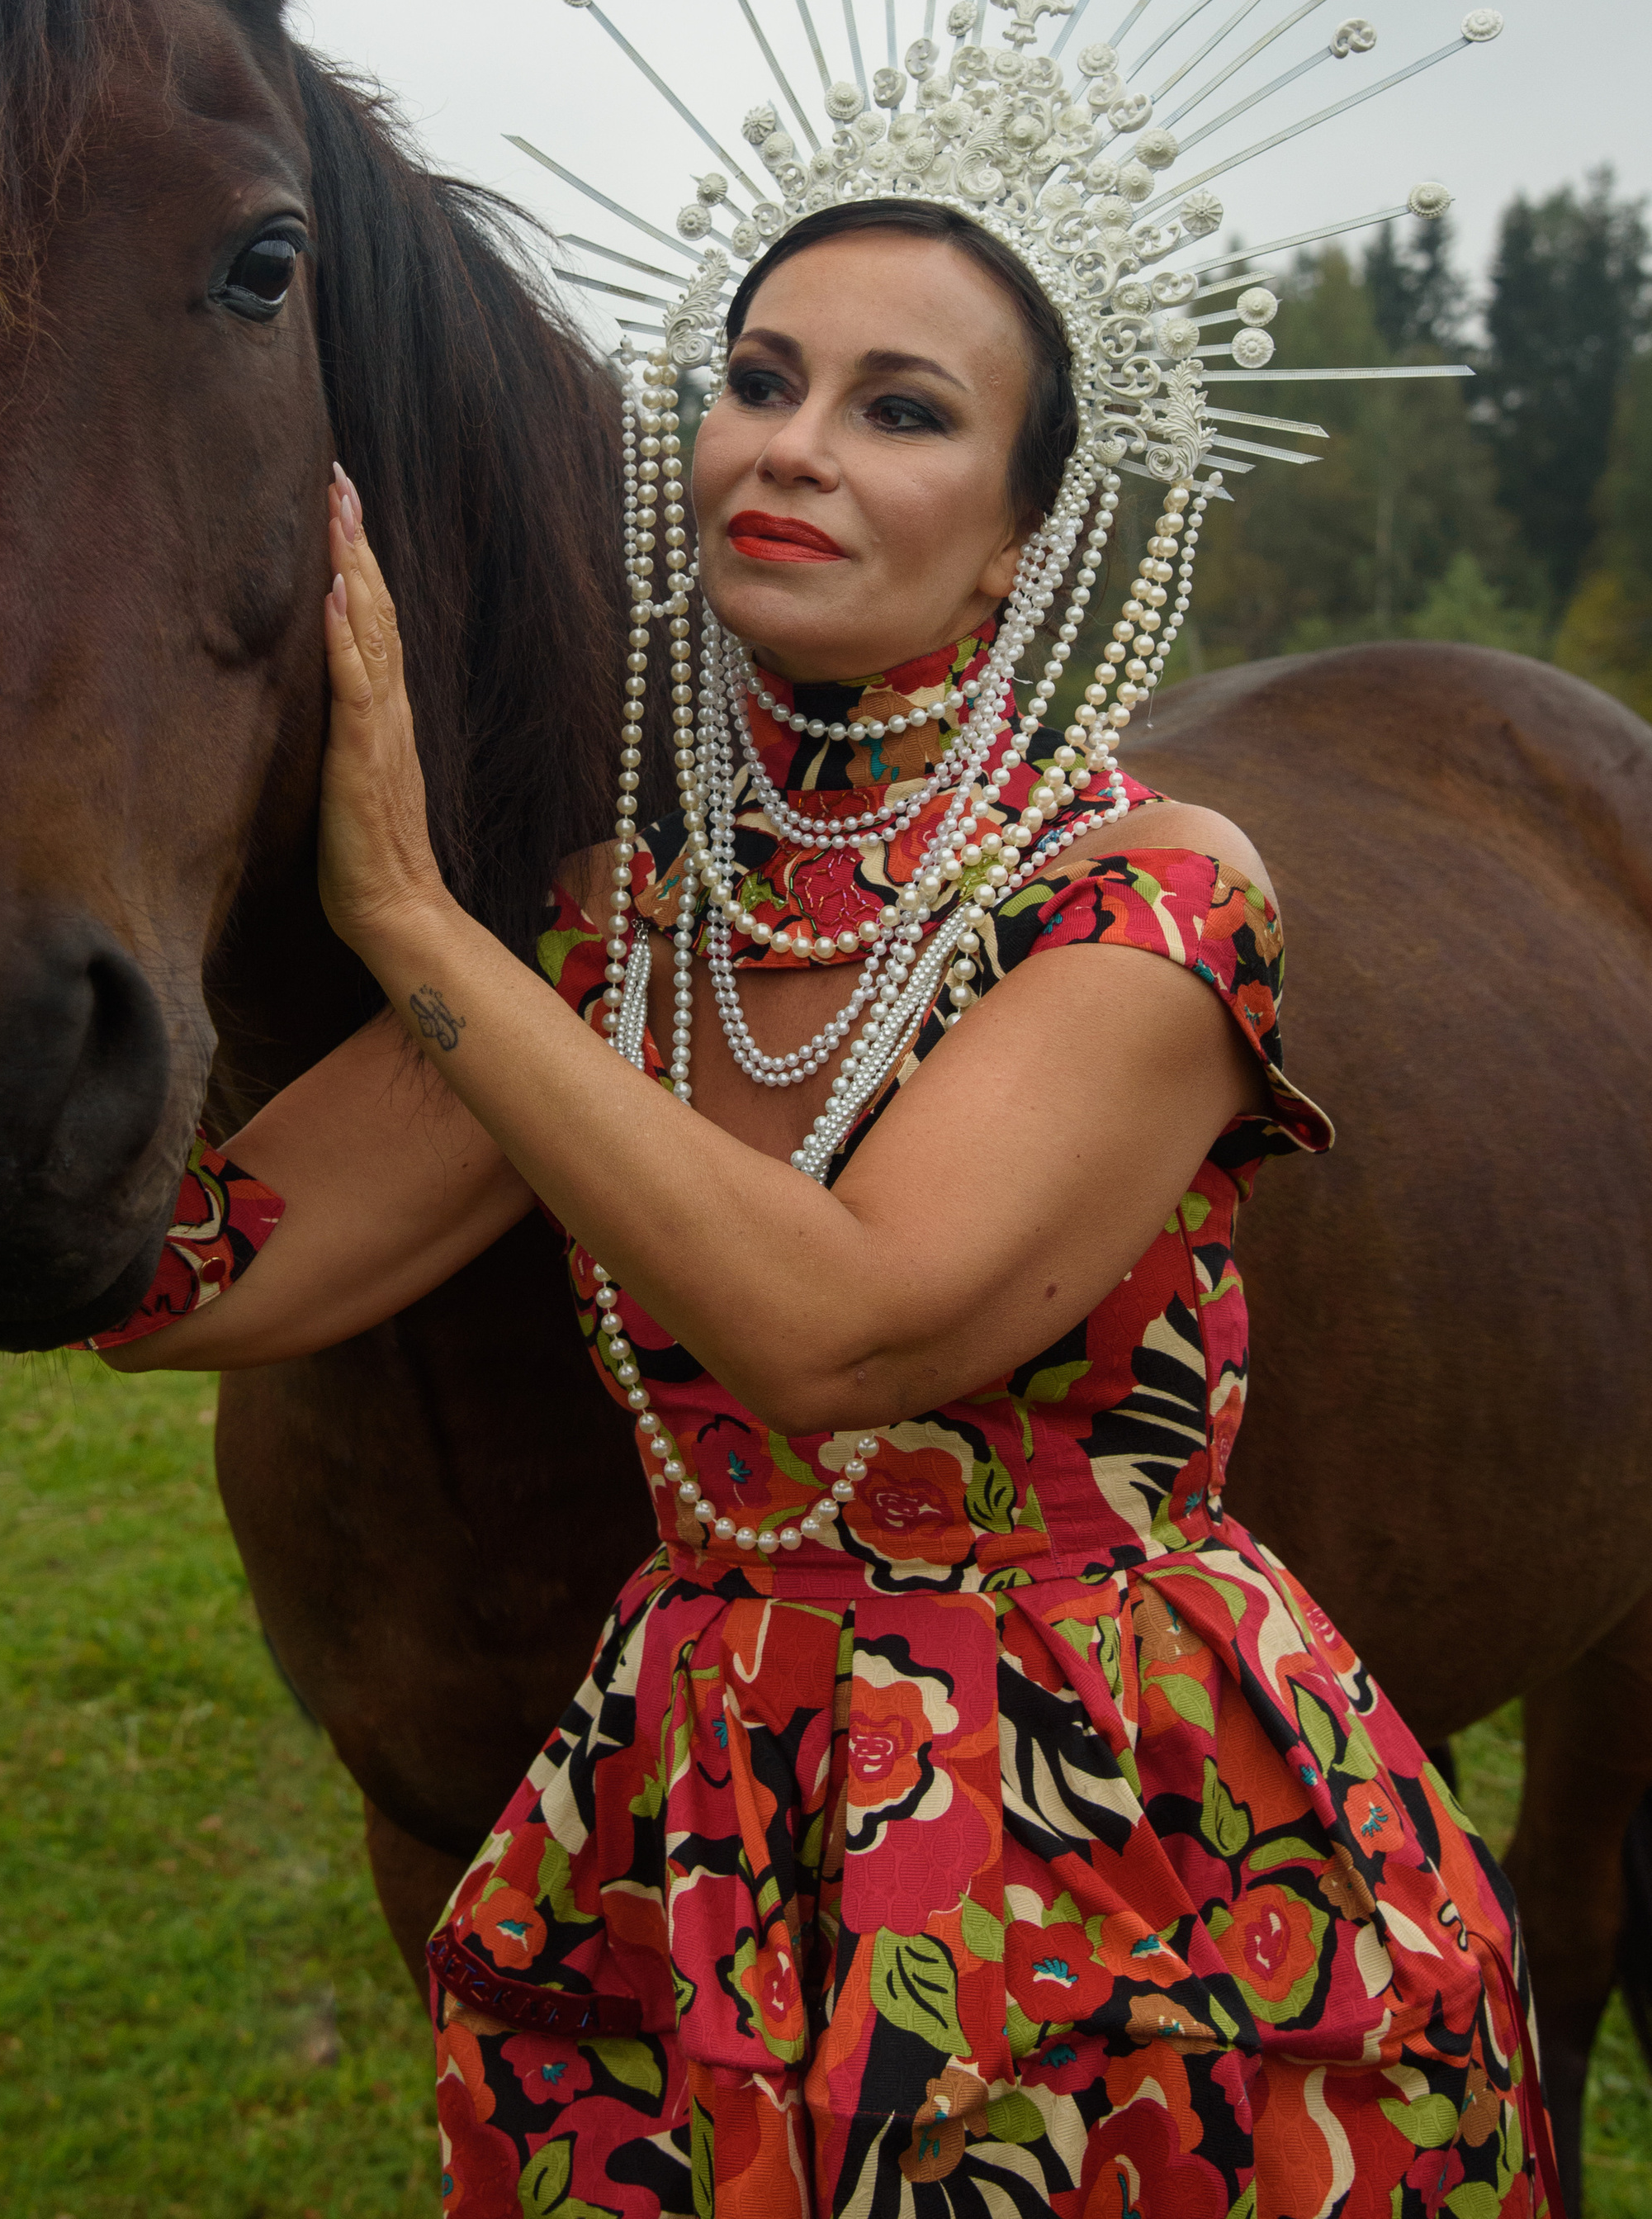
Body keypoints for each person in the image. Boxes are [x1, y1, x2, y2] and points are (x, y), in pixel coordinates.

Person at [87, 195, 1555, 2212]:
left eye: (899, 408)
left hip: (1108, 1837)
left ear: (1024, 527)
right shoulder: (628, 950)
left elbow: (841, 1328)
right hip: (701, 1825)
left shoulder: (1143, 894)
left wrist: (414, 922)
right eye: (757, 382)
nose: (790, 443)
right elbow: (189, 1279)